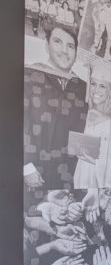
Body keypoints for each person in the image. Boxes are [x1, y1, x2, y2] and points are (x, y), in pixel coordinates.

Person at [23, 24, 88, 191]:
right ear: (47, 45)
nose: (64, 50)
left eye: (70, 46)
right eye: (58, 42)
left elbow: (85, 131)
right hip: (34, 169)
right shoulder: (28, 76)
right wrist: (25, 167)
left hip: (68, 174)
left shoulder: (83, 88)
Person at [74, 64, 111, 189]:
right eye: (93, 84)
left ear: (109, 91)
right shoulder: (81, 116)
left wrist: (97, 161)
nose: (96, 90)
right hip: (80, 181)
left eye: (102, 86)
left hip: (100, 188)